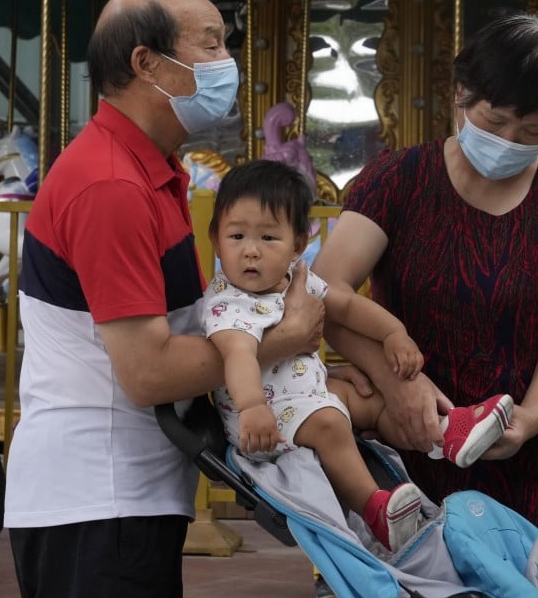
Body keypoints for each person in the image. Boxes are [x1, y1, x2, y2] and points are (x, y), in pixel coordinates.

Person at [2, 0, 326, 598]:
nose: (225, 61)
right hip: (98, 499)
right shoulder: (110, 185)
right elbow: (148, 372)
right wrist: (282, 337)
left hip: (126, 498)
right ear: (146, 63)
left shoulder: (151, 167)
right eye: (209, 44)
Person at [313, 13, 538, 536]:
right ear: (462, 95)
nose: (511, 140)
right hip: (405, 454)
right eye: (495, 121)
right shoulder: (397, 179)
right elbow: (325, 295)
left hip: (526, 470)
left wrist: (525, 421)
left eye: (533, 131)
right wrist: (397, 387)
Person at [203, 159, 514, 552]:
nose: (250, 251)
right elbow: (239, 357)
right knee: (331, 422)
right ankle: (375, 510)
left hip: (304, 394)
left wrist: (392, 333)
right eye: (236, 237)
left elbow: (346, 306)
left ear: (298, 245)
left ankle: (444, 432)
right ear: (215, 239)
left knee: (372, 401)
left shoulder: (297, 278)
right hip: (261, 418)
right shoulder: (227, 304)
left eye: (268, 238)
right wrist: (251, 408)